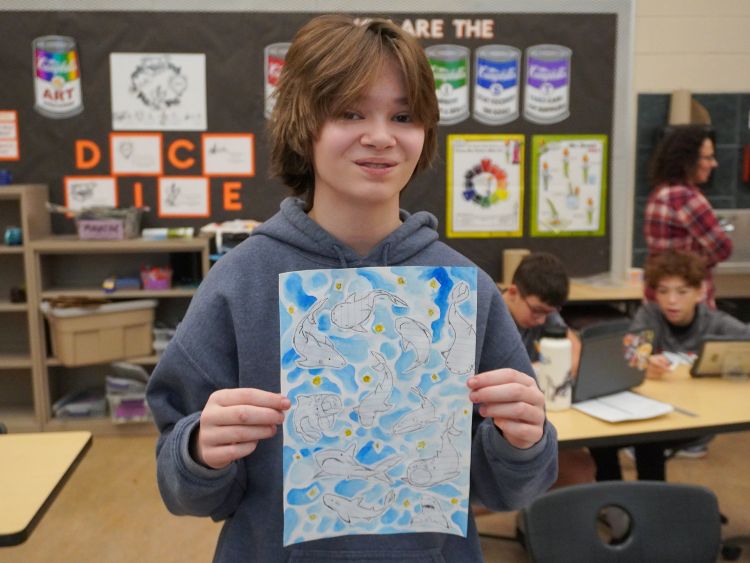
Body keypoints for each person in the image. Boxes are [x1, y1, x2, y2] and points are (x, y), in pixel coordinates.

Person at [146, 15, 557, 563]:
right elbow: (181, 487)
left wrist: (524, 441)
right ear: (303, 124)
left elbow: (506, 490)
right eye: (350, 112)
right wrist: (199, 451)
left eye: (404, 116)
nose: (381, 136)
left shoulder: (465, 293)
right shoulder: (239, 284)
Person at [589, 251, 750, 481]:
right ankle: (613, 492)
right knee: (603, 439)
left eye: (682, 292)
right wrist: (644, 363)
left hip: (698, 415)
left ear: (700, 292)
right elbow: (629, 354)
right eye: (663, 291)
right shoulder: (650, 315)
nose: (671, 300)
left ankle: (651, 496)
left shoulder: (715, 322)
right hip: (656, 411)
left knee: (648, 440)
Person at [502, 252, 594, 487]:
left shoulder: (542, 312)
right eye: (536, 311)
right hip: (503, 422)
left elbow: (576, 354)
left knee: (583, 466)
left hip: (539, 411)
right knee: (576, 470)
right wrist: (547, 371)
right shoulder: (493, 317)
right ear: (513, 292)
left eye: (549, 313)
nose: (542, 321)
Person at [644, 124, 732, 308]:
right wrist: (698, 261)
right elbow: (723, 248)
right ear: (688, 160)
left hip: (658, 301)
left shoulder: (659, 193)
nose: (714, 164)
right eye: (708, 157)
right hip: (689, 305)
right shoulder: (686, 198)